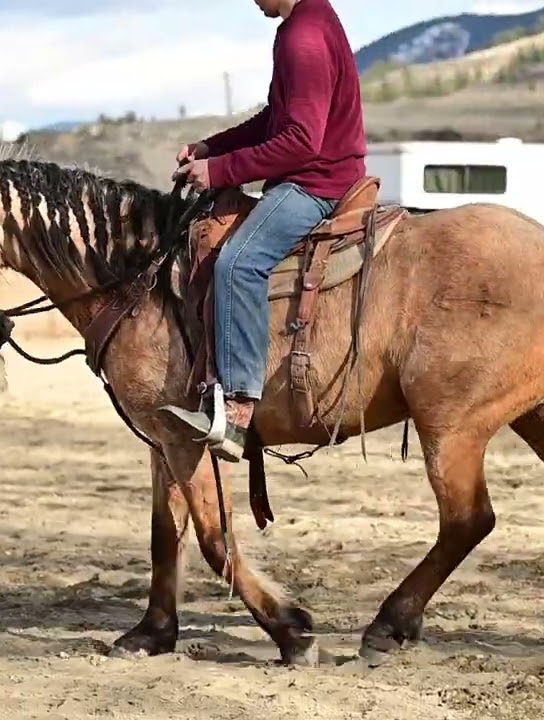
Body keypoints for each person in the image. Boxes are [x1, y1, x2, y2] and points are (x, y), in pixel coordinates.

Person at [161, 0, 367, 462]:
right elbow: (275, 120)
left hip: (316, 185)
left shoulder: (303, 38)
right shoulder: (307, 21)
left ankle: (236, 413)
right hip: (320, 175)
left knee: (238, 263)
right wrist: (212, 148)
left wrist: (220, 172)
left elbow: (301, 141)